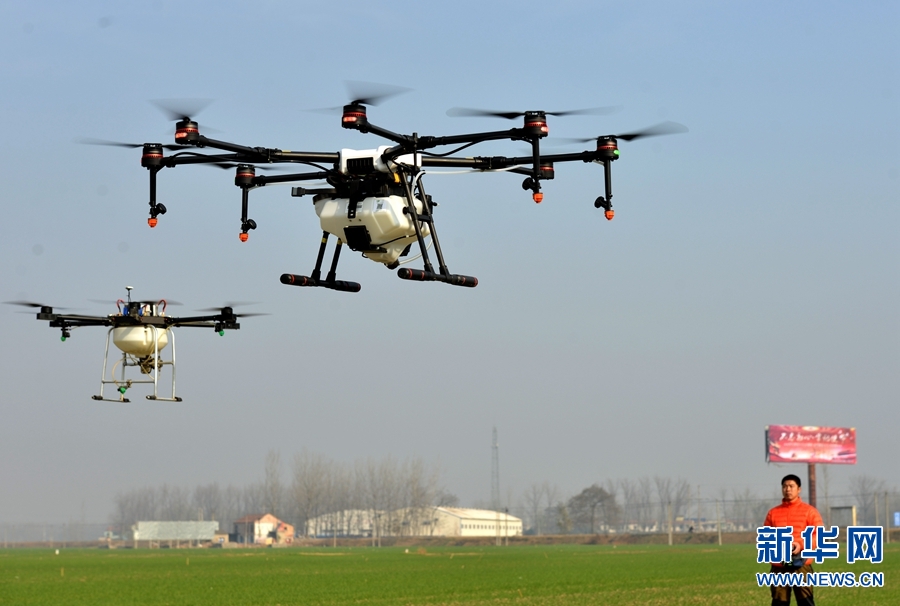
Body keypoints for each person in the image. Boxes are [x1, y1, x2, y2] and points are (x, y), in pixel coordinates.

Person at [763, 474, 823, 606]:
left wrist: (800, 545)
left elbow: (819, 535)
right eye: (785, 486)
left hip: (802, 564)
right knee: (779, 603)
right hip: (779, 566)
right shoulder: (773, 513)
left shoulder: (810, 512)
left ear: (799, 489)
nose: (788, 489)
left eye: (791, 486)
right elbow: (765, 537)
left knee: (806, 602)